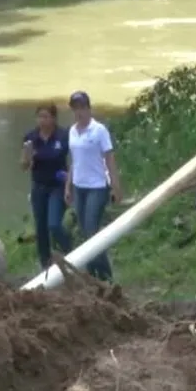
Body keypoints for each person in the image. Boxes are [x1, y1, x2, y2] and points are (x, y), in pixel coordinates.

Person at [64, 91, 123, 282]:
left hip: (97, 186)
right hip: (79, 186)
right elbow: (74, 161)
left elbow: (109, 159)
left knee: (91, 231)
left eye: (82, 108)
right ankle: (92, 275)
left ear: (89, 109)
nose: (79, 112)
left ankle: (106, 277)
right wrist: (68, 187)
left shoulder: (99, 130)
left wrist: (115, 186)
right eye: (75, 109)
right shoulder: (72, 131)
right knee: (84, 232)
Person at [21, 102, 72, 269]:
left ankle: (71, 251)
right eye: (39, 117)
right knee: (41, 227)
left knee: (54, 224)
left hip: (58, 186)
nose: (42, 120)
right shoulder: (31, 137)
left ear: (54, 118)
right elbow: (24, 166)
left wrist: (70, 184)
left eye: (46, 117)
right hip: (39, 186)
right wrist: (27, 158)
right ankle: (45, 264)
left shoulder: (63, 135)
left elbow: (73, 160)